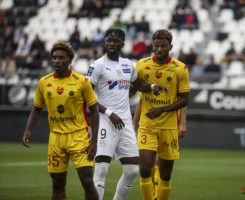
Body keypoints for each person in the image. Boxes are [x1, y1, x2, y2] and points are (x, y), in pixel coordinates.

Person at [86, 29, 168, 200]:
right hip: (105, 121)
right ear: (105, 43)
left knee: (131, 171)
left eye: (116, 41)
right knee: (101, 169)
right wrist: (109, 113)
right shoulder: (97, 65)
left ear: (123, 44)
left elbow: (139, 85)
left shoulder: (128, 65)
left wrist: (153, 87)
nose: (112, 44)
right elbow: (86, 98)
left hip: (124, 123)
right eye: (109, 40)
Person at [22, 41, 99, 200]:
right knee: (57, 184)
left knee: (87, 182)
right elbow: (36, 108)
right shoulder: (44, 82)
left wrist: (94, 141)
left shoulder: (82, 81)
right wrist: (28, 129)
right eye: (54, 58)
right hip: (56, 139)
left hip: (79, 137)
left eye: (61, 58)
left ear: (70, 60)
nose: (56, 61)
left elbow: (94, 110)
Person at [134, 29, 190, 200]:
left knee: (165, 175)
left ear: (170, 47)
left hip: (168, 127)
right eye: (156, 45)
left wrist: (163, 110)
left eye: (163, 46)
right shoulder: (142, 65)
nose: (159, 49)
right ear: (152, 46)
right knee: (145, 167)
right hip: (147, 126)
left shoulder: (180, 68)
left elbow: (185, 99)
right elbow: (138, 96)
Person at [132, 99, 187, 199]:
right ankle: (152, 189)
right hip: (149, 127)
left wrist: (182, 122)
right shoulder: (148, 86)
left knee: (160, 164)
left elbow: (183, 100)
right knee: (147, 163)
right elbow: (141, 101)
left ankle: (157, 191)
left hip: (169, 127)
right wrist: (134, 121)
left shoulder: (176, 86)